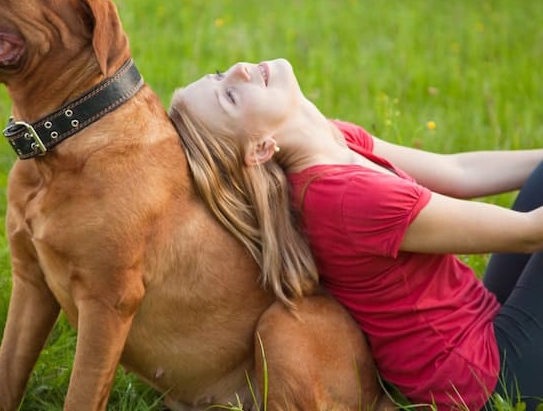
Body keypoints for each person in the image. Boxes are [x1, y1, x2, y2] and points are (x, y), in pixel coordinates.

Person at [168, 58, 543, 411]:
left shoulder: (331, 141)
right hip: (486, 382)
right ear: (262, 148)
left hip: (482, 323)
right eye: (230, 96)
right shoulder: (347, 201)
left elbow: (458, 171)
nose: (238, 71)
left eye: (219, 75)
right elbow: (529, 234)